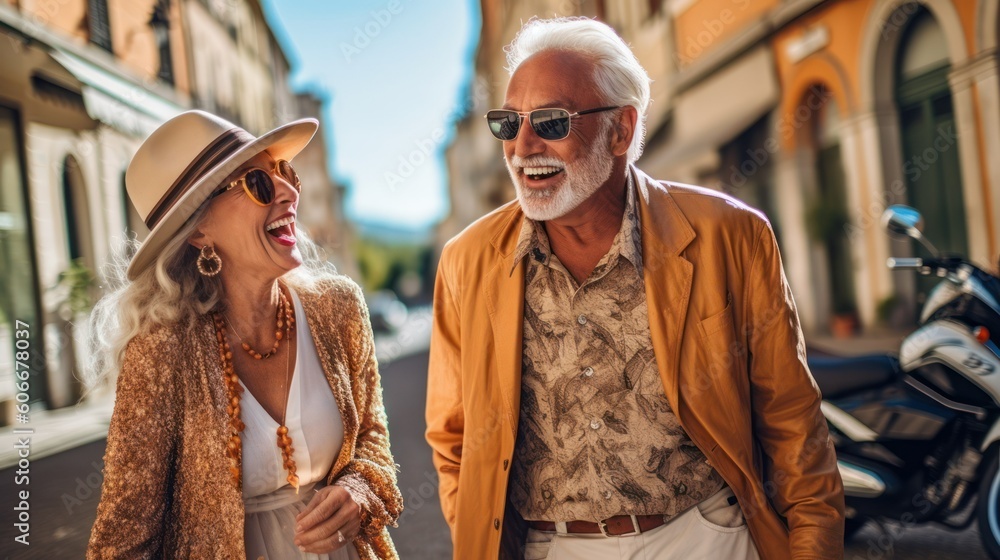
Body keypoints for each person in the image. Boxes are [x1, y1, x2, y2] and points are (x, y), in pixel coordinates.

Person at [426, 17, 844, 560]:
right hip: (552, 548)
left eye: (551, 122)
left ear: (620, 130)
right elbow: (454, 442)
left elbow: (793, 425)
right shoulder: (466, 262)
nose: (522, 145)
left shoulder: (730, 236)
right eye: (508, 123)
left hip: (705, 537)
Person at [86, 110, 402, 559]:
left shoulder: (339, 308)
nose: (290, 191)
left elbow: (373, 437)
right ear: (198, 230)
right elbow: (123, 538)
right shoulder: (160, 353)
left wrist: (361, 490)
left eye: (284, 172)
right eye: (258, 183)